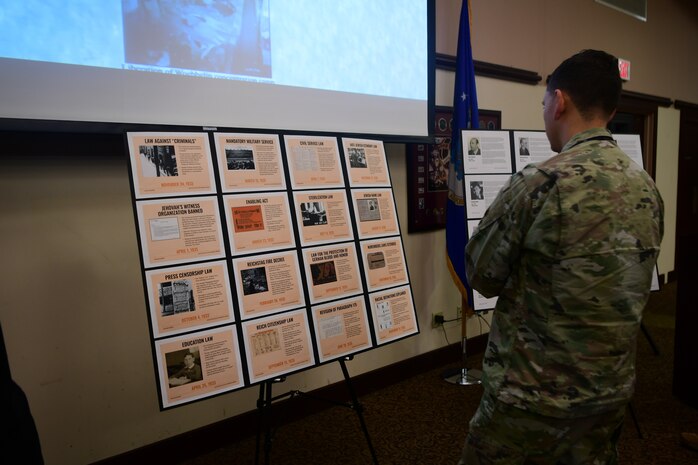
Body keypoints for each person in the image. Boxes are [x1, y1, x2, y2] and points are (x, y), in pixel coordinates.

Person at [459, 49, 664, 464]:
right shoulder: (646, 187)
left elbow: (481, 275)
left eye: (543, 102)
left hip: (532, 400)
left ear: (559, 101)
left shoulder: (541, 183)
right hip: (608, 394)